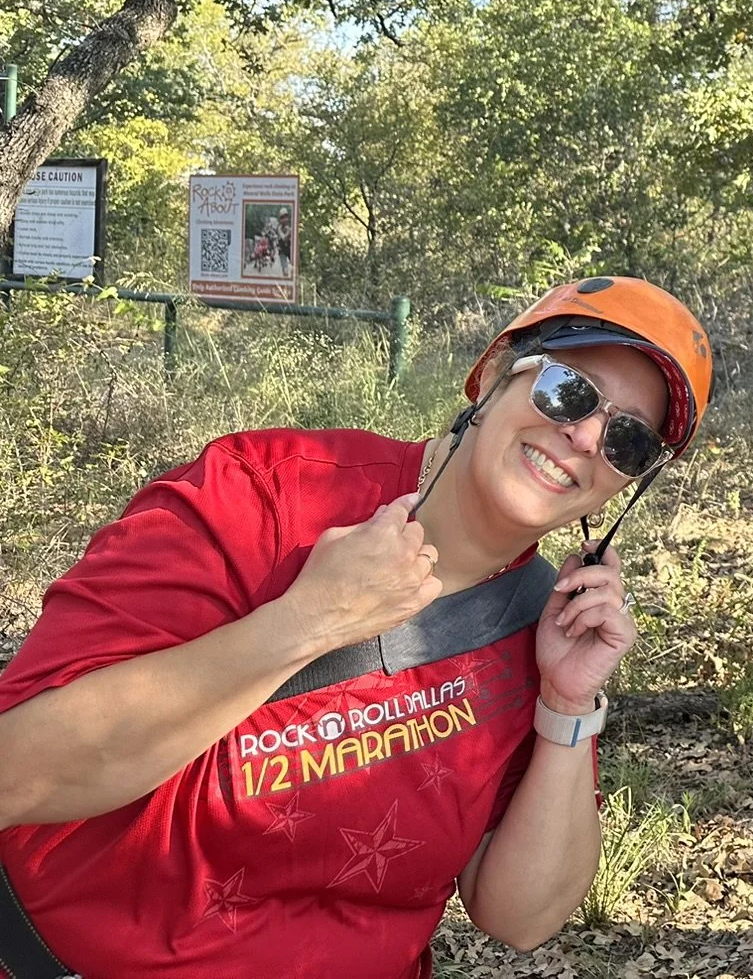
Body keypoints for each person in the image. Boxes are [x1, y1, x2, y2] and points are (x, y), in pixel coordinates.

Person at [0, 275, 713, 977]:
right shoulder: (262, 495)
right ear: (494, 373)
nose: (585, 437)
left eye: (629, 442)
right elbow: (19, 774)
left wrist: (566, 705)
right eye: (569, 390)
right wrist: (306, 621)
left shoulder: (540, 624)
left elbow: (521, 918)